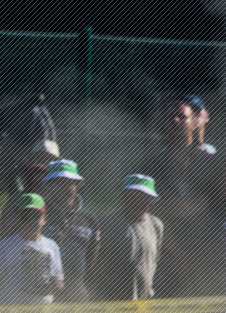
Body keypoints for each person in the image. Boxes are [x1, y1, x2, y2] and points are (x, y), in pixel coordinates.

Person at [142, 94, 224, 297]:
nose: (175, 120)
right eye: (171, 117)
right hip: (167, 250)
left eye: (182, 116)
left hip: (208, 248)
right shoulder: (153, 164)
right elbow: (147, 207)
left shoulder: (213, 162)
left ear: (195, 122)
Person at [93, 174, 163, 302]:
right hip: (110, 302)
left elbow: (154, 260)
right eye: (134, 196)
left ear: (152, 200)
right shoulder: (106, 223)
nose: (139, 201)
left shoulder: (156, 225)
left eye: (145, 197)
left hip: (143, 302)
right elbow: (94, 262)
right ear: (123, 196)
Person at [40, 158, 100, 302]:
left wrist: (83, 284)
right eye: (59, 182)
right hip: (42, 292)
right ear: (49, 185)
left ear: (78, 184)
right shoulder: (39, 215)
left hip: (75, 293)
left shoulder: (90, 219)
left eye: (70, 182)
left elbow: (93, 257)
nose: (65, 187)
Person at [0, 192, 63, 304]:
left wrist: (56, 285)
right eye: (25, 216)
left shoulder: (52, 246)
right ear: (18, 218)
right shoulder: (6, 245)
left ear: (44, 219)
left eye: (35, 216)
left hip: (43, 312)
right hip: (12, 311)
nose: (30, 221)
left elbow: (58, 280)